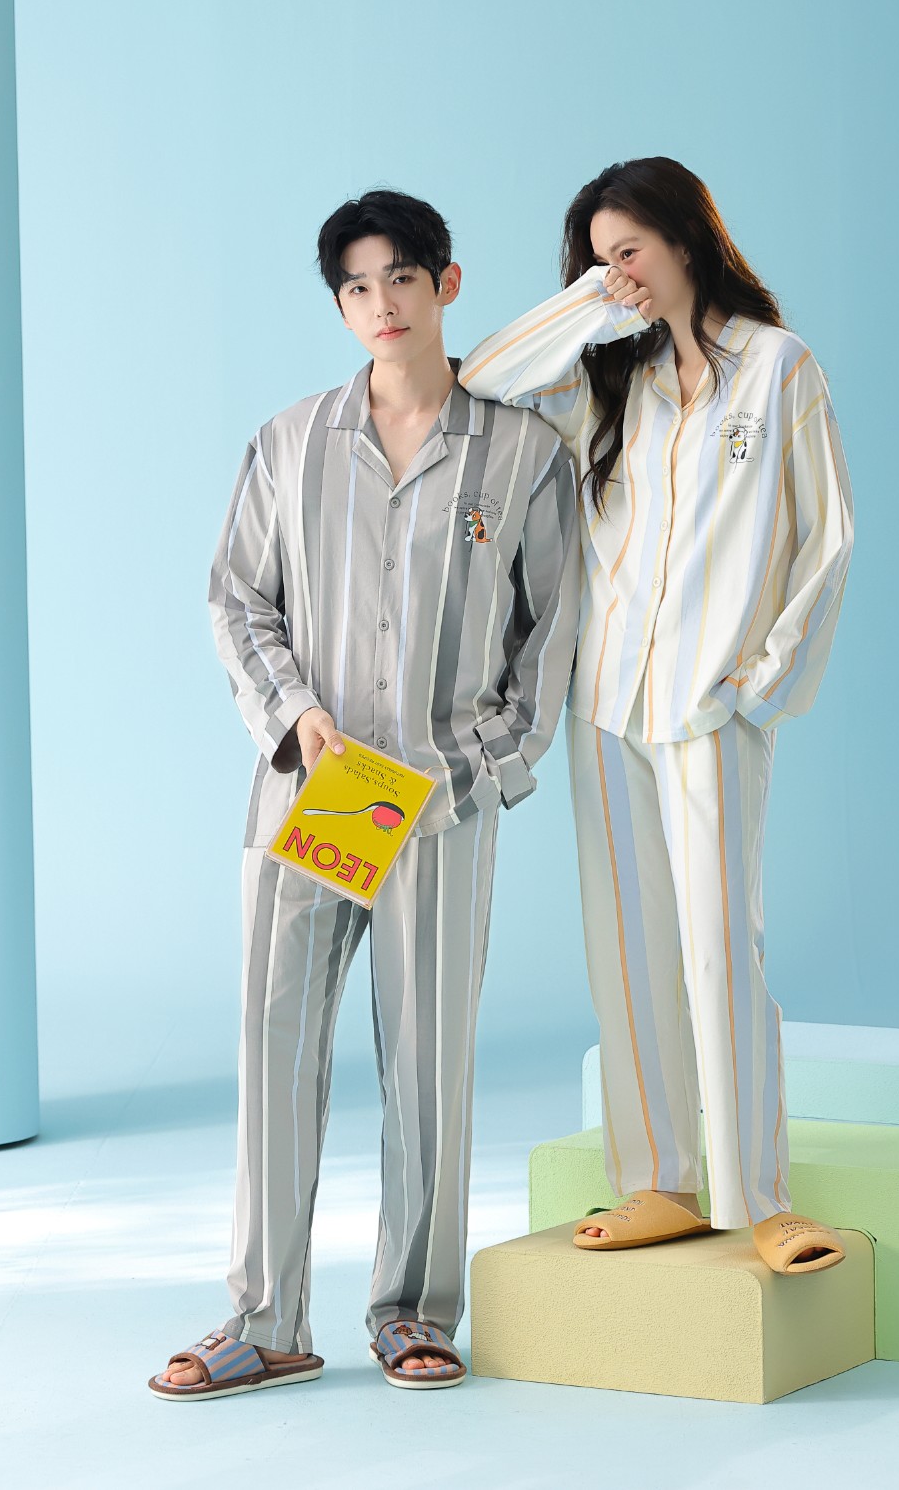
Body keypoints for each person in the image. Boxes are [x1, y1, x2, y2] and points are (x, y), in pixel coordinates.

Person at [152, 190, 578, 1400]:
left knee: (427, 1064)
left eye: (399, 277)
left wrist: (477, 767)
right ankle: (264, 1319)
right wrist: (294, 714)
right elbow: (238, 600)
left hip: (437, 794)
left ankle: (413, 1313)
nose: (379, 303)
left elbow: (551, 637)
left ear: (445, 284)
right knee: (276, 1048)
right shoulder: (290, 443)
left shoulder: (522, 454)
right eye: (354, 286)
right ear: (338, 305)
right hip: (321, 788)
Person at [458, 156, 855, 1273]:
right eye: (597, 258)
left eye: (628, 251)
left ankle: (759, 1197)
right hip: (607, 699)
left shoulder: (777, 367)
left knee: (719, 946)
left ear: (686, 239)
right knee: (625, 950)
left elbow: (825, 541)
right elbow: (482, 378)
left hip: (711, 704)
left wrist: (759, 684)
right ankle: (658, 1180)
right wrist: (594, 304)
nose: (616, 273)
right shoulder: (609, 378)